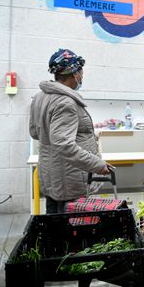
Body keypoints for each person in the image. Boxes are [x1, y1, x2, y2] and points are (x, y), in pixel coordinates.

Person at [29, 49, 111, 214]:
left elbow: (34, 132)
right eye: (80, 72)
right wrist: (97, 165)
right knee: (71, 230)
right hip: (69, 178)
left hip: (51, 174)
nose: (81, 76)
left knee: (53, 226)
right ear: (74, 74)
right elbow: (64, 145)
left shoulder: (40, 97)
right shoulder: (66, 102)